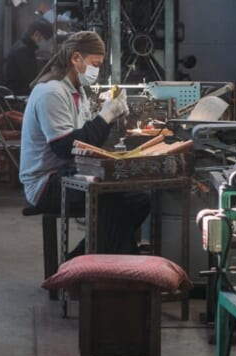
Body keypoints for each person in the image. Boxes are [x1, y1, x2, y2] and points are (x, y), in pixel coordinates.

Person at [19, 31, 150, 256]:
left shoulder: (76, 91)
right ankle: (105, 260)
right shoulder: (52, 92)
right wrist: (105, 117)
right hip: (46, 183)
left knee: (139, 199)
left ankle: (86, 258)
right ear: (76, 58)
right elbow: (65, 148)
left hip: (67, 172)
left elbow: (86, 140)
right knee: (112, 199)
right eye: (94, 64)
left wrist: (109, 118)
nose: (96, 71)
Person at [3, 18, 54, 96]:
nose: (44, 42)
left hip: (21, 91)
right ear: (36, 34)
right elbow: (31, 79)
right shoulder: (22, 50)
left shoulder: (24, 46)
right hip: (19, 94)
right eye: (45, 39)